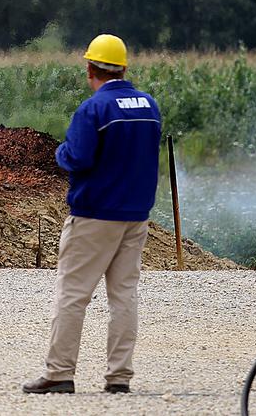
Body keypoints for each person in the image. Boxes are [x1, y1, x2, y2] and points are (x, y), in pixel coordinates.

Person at [22, 34, 162, 395]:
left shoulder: (93, 110)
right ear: (124, 68)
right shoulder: (149, 106)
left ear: (90, 69)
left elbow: (77, 157)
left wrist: (60, 153)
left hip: (95, 214)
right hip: (136, 214)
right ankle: (119, 378)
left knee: (73, 293)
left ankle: (59, 374)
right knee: (124, 294)